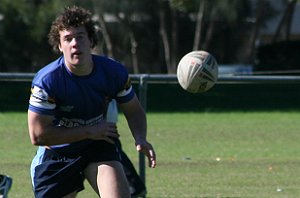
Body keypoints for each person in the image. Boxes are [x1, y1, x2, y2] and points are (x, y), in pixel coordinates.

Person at [28, 5, 156, 198]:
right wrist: (89, 130)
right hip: (57, 152)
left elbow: (134, 110)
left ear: (91, 41)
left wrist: (140, 137)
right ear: (60, 46)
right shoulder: (47, 81)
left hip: (97, 144)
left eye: (80, 37)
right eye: (67, 39)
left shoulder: (113, 73)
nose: (74, 43)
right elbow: (38, 135)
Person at [106, 100, 146, 197]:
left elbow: (134, 109)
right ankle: (134, 185)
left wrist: (140, 138)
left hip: (105, 125)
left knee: (112, 155)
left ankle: (133, 185)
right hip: (82, 130)